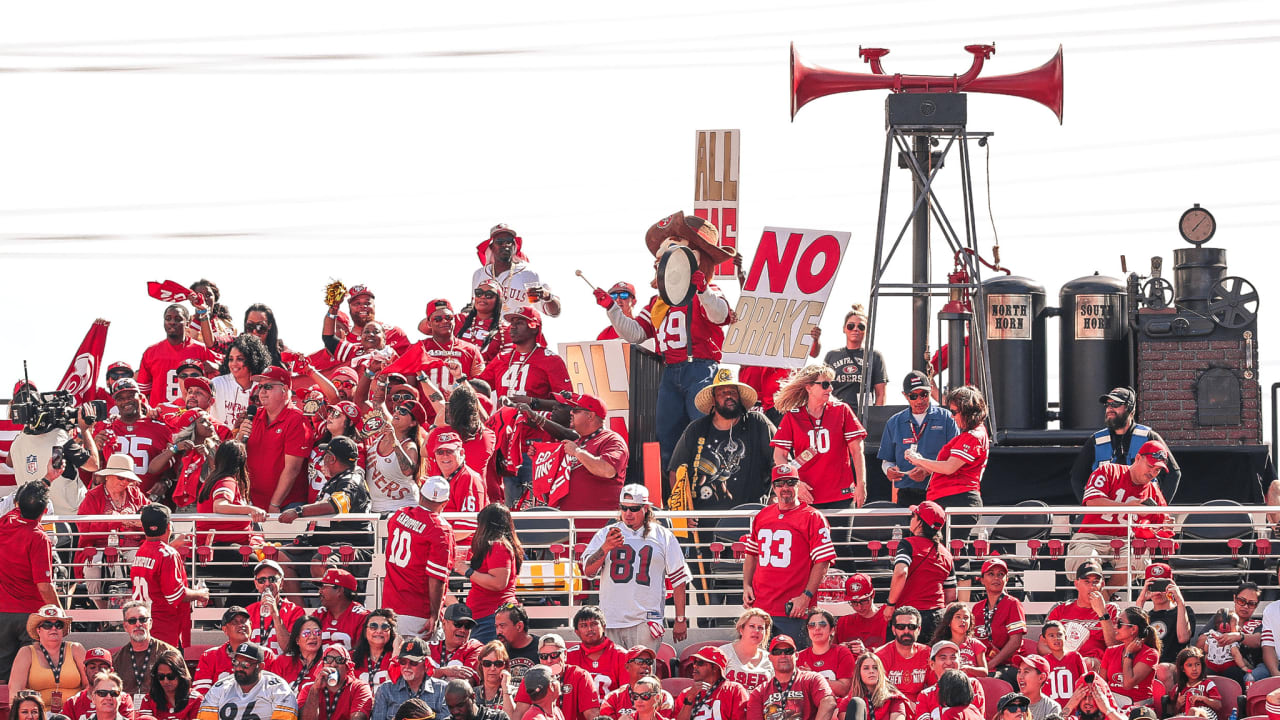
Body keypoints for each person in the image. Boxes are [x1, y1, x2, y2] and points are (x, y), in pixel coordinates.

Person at [595, 211, 732, 472]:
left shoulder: (706, 292)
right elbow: (636, 333)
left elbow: (721, 315)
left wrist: (702, 290)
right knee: (667, 435)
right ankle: (672, 495)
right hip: (670, 371)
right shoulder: (659, 301)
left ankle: (711, 487)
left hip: (700, 368)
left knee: (703, 430)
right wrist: (612, 309)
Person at [581, 485, 691, 649]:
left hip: (646, 619)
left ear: (646, 508)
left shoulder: (663, 535)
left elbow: (679, 580)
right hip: (610, 619)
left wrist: (680, 619)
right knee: (611, 673)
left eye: (634, 509)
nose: (627, 513)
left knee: (642, 673)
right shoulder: (605, 534)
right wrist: (605, 548)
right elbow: (588, 572)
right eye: (623, 508)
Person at [743, 464, 836, 644]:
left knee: (792, 663)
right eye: (780, 483)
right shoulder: (762, 516)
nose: (785, 488)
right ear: (773, 487)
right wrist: (746, 585)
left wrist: (806, 596)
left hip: (793, 609)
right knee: (760, 664)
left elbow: (823, 561)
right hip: (761, 608)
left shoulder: (812, 517)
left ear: (798, 485)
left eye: (791, 482)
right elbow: (751, 554)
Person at [1069, 441, 1171, 593]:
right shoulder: (1109, 470)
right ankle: (1090, 602)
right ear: (1137, 458)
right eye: (1150, 466)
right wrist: (1128, 508)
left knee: (1140, 557)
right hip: (1092, 536)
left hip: (1125, 541)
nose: (1153, 473)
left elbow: (1163, 524)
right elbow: (1092, 501)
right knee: (1085, 558)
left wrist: (1165, 527)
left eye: (1157, 470)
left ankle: (1106, 595)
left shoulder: (1153, 491)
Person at [667, 368, 775, 513]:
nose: (729, 396)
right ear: (713, 399)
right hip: (703, 520)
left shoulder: (758, 423)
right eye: (722, 392)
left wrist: (774, 497)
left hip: (749, 517)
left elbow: (780, 462)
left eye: (733, 392)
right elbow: (676, 472)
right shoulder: (696, 429)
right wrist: (683, 510)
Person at [772, 364, 868, 510]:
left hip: (841, 496)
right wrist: (793, 482)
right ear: (808, 387)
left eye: (830, 384)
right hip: (807, 496)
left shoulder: (841, 410)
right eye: (825, 384)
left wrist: (861, 484)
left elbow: (857, 451)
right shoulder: (793, 416)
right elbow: (779, 455)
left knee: (839, 534)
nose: (830, 389)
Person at [279, 439, 374, 586]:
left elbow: (334, 505)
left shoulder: (351, 480)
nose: (322, 461)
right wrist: (301, 542)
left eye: (325, 456)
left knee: (320, 563)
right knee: (279, 556)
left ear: (331, 458)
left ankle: (333, 607)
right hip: (324, 544)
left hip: (351, 547)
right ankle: (298, 609)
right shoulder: (339, 479)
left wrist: (298, 511)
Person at [905, 386, 988, 545]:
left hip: (957, 500)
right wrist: (925, 469)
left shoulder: (974, 436)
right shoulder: (971, 434)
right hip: (952, 500)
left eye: (955, 412)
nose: (952, 416)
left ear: (968, 411)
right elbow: (950, 467)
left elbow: (950, 467)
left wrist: (918, 460)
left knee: (950, 553)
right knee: (945, 552)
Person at [1070, 388, 1181, 504]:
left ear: (1130, 409)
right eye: (1107, 405)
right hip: (1107, 514)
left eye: (1116, 404)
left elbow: (1173, 474)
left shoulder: (1149, 437)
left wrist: (1158, 509)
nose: (1110, 408)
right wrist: (1089, 507)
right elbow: (1077, 478)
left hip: (1140, 515)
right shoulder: (1096, 441)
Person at [0, 482, 60, 683]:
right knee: (30, 677)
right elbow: (44, 586)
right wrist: (60, 614)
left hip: (2, 613)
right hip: (31, 617)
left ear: (17, 504)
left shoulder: (5, 522)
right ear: (44, 511)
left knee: (2, 678)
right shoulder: (39, 538)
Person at [130, 503, 209, 649]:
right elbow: (175, 595)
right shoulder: (168, 554)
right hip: (165, 628)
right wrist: (200, 594)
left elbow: (156, 559)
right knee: (168, 669)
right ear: (168, 526)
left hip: (146, 623)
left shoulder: (141, 550)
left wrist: (171, 545)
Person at [385, 477, 455, 637]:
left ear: (421, 495)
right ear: (445, 503)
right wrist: (434, 614)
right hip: (418, 612)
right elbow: (436, 578)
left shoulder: (398, 515)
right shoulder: (441, 530)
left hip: (390, 607)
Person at [878, 372, 959, 508]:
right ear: (905, 395)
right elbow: (887, 460)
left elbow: (955, 459)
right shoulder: (894, 422)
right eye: (914, 396)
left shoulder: (947, 418)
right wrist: (889, 470)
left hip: (940, 492)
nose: (920, 400)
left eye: (924, 394)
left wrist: (927, 471)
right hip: (907, 494)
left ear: (930, 391)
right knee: (908, 529)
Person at [240, 365, 313, 513]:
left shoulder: (297, 420)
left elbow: (292, 469)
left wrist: (274, 504)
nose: (262, 392)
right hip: (255, 503)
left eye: (267, 386)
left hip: (286, 505)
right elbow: (238, 457)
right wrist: (239, 438)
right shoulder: (254, 416)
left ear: (285, 390)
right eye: (260, 387)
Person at [883, 502, 956, 642]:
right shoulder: (946, 554)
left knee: (898, 661)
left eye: (913, 516)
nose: (911, 519)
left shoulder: (907, 544)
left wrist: (890, 604)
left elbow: (900, 573)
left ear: (920, 523)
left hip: (908, 617)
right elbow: (951, 595)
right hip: (937, 617)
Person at [94, 377, 176, 496]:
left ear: (141, 397)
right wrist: (95, 447)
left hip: (149, 499)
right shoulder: (106, 428)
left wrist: (165, 481)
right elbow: (94, 465)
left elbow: (173, 464)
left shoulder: (162, 428)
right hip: (113, 501)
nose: (126, 401)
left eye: (130, 396)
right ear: (115, 402)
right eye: (120, 398)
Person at [556, 394, 629, 525]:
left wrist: (577, 452)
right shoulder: (577, 442)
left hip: (598, 529)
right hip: (568, 528)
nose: (571, 412)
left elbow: (607, 470)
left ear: (590, 416)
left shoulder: (612, 440)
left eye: (576, 409)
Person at [458, 504, 523, 645]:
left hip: (491, 618)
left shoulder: (498, 546)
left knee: (488, 663)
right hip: (488, 617)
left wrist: (466, 571)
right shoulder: (498, 545)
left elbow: (498, 583)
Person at [477, 307, 571, 401]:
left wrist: (532, 402)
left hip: (536, 415)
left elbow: (566, 402)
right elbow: (478, 388)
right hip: (503, 415)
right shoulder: (501, 357)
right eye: (512, 323)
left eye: (519, 323)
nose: (513, 327)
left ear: (534, 328)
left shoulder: (552, 360)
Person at [8, 606, 87, 713]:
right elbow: (15, 691)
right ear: (38, 630)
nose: (53, 628)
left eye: (58, 625)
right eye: (47, 625)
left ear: (63, 630)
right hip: (38, 714)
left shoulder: (76, 649)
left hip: (73, 712)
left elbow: (89, 685)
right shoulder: (26, 653)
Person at [473, 224, 562, 317]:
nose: (505, 245)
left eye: (509, 241)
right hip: (488, 330)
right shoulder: (480, 274)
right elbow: (475, 308)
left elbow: (554, 312)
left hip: (516, 330)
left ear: (515, 246)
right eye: (499, 242)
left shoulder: (528, 274)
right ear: (491, 247)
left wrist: (548, 297)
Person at [136, 304, 217, 407]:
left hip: (192, 415)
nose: (172, 322)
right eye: (168, 319)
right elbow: (142, 392)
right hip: (161, 416)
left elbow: (225, 369)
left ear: (187, 323)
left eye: (178, 319)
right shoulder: (151, 352)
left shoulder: (201, 349)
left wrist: (216, 366)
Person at [196, 642, 298, 720]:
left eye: (246, 664)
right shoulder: (220, 688)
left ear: (260, 666)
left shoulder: (279, 689)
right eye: (235, 662)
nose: (239, 668)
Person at [1041, 562, 1121, 662]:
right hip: (1062, 660)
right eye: (1087, 582)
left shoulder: (1111, 609)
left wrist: (1102, 612)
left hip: (1095, 663)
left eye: (1096, 582)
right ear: (1076, 584)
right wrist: (1063, 659)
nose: (1092, 587)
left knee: (1088, 663)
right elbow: (1042, 645)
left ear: (1103, 585)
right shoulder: (1060, 608)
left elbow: (1115, 646)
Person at [193, 607, 280, 695]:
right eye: (235, 622)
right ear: (225, 629)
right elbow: (202, 693)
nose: (241, 625)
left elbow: (275, 689)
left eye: (244, 621)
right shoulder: (210, 656)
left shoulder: (265, 654)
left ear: (251, 625)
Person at [512, 635, 600, 720]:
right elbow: (519, 713)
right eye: (543, 656)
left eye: (554, 655)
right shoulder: (532, 677)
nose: (549, 660)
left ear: (565, 654)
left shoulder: (580, 676)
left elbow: (592, 715)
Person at [367, 399, 428, 514]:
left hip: (401, 511)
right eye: (397, 409)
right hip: (374, 509)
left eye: (404, 412)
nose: (397, 412)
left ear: (413, 423)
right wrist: (382, 382)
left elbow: (408, 470)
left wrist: (393, 440)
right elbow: (377, 401)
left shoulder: (409, 446)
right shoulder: (380, 436)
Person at [971, 557, 1027, 685]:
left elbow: (1015, 641)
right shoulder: (977, 608)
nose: (996, 578)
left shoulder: (1013, 604)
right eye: (991, 574)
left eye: (1000, 574)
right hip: (984, 666)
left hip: (1008, 666)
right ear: (982, 579)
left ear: (1006, 579)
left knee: (991, 681)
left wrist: (990, 665)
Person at [824, 305, 888, 408]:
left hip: (862, 416)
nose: (855, 329)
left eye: (861, 327)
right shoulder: (832, 355)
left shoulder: (875, 356)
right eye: (851, 326)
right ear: (844, 329)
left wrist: (875, 418)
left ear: (866, 331)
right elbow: (823, 388)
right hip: (837, 413)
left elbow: (881, 394)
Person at [112, 601, 180, 695]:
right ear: (125, 626)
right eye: (132, 621)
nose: (138, 624)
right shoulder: (116, 659)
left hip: (160, 708)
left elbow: (184, 685)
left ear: (150, 623)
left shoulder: (170, 654)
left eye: (143, 619)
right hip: (128, 708)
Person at [1098, 607, 1159, 709]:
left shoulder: (1150, 654)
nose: (1115, 627)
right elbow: (1101, 684)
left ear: (1133, 629)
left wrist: (1129, 654)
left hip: (1138, 710)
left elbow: (1128, 684)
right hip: (1112, 707)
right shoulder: (1110, 651)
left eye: (1120, 624)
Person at [1134, 563, 1193, 667]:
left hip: (1175, 665)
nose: (1158, 592)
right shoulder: (1145, 616)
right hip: (1149, 663)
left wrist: (1180, 601)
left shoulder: (1184, 611)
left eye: (1162, 586)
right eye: (1153, 586)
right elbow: (1133, 639)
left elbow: (1183, 638)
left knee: (1163, 669)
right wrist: (1140, 601)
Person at [912, 640, 987, 720]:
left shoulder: (972, 685)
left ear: (960, 662)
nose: (948, 662)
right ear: (932, 664)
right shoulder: (925, 695)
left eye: (953, 657)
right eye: (943, 658)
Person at [434, 432, 488, 542]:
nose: (445, 456)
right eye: (440, 452)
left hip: (464, 549)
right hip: (449, 544)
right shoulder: (440, 477)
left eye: (450, 451)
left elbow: (466, 528)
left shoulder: (468, 478)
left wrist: (435, 541)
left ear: (462, 452)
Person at [298, 645, 375, 720]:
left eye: (339, 660)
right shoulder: (309, 689)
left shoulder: (359, 688)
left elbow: (358, 717)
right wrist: (315, 690)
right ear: (323, 664)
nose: (333, 664)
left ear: (347, 666)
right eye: (328, 659)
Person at [211, 334, 272, 427]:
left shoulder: (263, 388)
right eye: (231, 359)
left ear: (253, 360)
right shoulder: (217, 383)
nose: (233, 364)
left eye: (240, 359)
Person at [672, 646, 749, 720]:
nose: (694, 666)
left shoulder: (734, 690)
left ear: (715, 667)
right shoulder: (687, 693)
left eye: (700, 663)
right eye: (694, 662)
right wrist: (689, 699)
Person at [565, 607, 628, 696]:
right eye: (584, 625)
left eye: (594, 624)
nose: (589, 629)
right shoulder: (569, 656)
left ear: (604, 627)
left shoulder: (621, 655)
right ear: (577, 632)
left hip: (612, 708)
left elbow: (626, 694)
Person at [249, 559, 307, 655]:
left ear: (282, 582)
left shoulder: (295, 611)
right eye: (261, 580)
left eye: (272, 579)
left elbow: (290, 649)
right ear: (256, 584)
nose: (267, 584)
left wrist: (275, 615)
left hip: (282, 668)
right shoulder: (248, 611)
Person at [598, 646, 675, 717]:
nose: (645, 666)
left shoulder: (663, 697)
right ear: (627, 667)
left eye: (649, 661)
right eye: (639, 661)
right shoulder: (612, 698)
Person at [874, 607, 930, 703]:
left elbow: (934, 688)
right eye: (901, 627)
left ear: (919, 629)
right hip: (891, 705)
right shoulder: (880, 656)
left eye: (912, 627)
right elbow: (879, 694)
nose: (906, 631)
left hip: (920, 707)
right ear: (893, 630)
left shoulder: (927, 653)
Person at [62, 648, 136, 720]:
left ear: (111, 670)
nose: (97, 671)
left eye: (103, 668)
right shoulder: (73, 702)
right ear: (85, 670)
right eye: (92, 667)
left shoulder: (122, 698)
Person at [310, 568, 371, 650]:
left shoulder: (361, 617)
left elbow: (362, 652)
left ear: (339, 590)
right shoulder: (319, 614)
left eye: (323, 586)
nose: (320, 591)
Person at [798, 609, 854, 697]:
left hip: (836, 707)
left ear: (832, 630)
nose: (817, 628)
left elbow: (843, 690)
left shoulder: (842, 653)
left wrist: (813, 676)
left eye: (822, 624)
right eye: (812, 625)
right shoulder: (799, 657)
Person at [718, 609, 773, 691]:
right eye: (752, 626)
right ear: (741, 629)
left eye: (761, 628)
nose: (756, 631)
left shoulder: (770, 659)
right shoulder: (724, 653)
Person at [835, 573, 888, 657]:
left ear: (873, 594)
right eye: (854, 602)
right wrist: (839, 650)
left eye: (863, 601)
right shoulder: (843, 623)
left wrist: (867, 652)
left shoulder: (887, 617)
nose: (859, 607)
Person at [269, 616, 324, 695]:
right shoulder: (283, 661)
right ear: (297, 640)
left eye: (317, 632)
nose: (312, 637)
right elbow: (272, 692)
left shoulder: (327, 662)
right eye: (306, 633)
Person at [1037, 621, 1088, 706]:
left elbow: (1085, 681)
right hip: (1051, 709)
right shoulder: (1044, 662)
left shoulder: (1075, 657)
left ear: (1066, 637)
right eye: (1051, 635)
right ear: (1044, 640)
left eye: (1059, 635)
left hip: (1074, 708)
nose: (1056, 638)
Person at [429, 605, 483, 683]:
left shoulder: (474, 648)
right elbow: (416, 678)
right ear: (444, 624)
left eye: (468, 626)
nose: (463, 630)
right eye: (458, 624)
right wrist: (443, 672)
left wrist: (435, 673)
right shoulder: (428, 648)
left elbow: (465, 684)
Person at [141, 649, 200, 720]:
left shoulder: (195, 700)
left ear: (181, 675)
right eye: (161, 677)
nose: (165, 681)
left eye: (171, 676)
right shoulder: (148, 699)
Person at [932, 603, 988, 678]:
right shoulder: (942, 645)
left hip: (971, 686)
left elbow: (985, 672)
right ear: (949, 622)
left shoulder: (976, 644)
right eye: (958, 617)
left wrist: (968, 669)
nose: (962, 620)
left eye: (966, 617)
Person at [457, 280, 507, 361]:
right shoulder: (459, 319)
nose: (482, 297)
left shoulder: (505, 330)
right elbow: (429, 328)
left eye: (489, 295)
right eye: (479, 293)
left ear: (498, 301)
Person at [849, 652, 908, 720]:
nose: (871, 671)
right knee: (856, 702)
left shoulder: (894, 699)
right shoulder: (850, 699)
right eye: (866, 668)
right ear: (859, 673)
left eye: (875, 668)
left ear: (881, 672)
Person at [353, 610, 401, 691]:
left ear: (391, 632)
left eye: (384, 627)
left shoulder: (399, 656)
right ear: (365, 631)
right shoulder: (352, 657)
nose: (379, 631)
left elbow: (395, 686)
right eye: (373, 626)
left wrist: (397, 649)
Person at [1169, 647, 1221, 720]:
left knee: (1193, 711)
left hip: (1206, 715)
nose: (1194, 669)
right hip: (1185, 715)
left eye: (1197, 664)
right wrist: (1178, 704)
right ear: (1182, 669)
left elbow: (1218, 705)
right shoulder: (1179, 688)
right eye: (1190, 665)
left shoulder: (1208, 684)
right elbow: (1173, 712)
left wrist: (1204, 699)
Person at [495, 605, 540, 681]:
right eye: (496, 626)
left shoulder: (542, 648)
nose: (498, 631)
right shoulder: (497, 650)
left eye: (502, 626)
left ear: (519, 626)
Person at [473, 642, 518, 717]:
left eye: (498, 664)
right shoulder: (472, 694)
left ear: (505, 666)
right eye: (487, 663)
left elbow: (511, 718)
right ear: (481, 666)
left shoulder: (514, 693)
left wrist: (506, 688)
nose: (492, 668)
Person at [1016, 655, 1063, 720]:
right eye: (1019, 671)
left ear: (1041, 678)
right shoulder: (1010, 703)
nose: (1020, 676)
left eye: (1026, 672)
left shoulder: (1052, 708)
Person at [445, 678, 511, 720]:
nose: (455, 711)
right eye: (450, 707)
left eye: (460, 705)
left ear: (473, 697)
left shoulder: (497, 717)